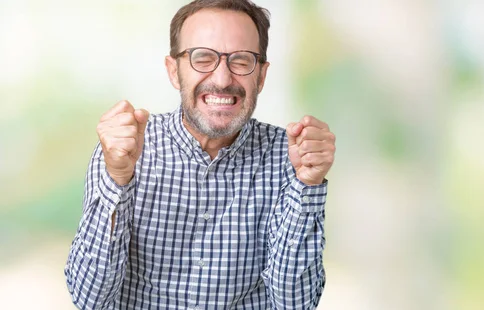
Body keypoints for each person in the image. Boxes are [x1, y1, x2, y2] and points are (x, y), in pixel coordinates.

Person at [64, 0, 336, 309]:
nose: (222, 79)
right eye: (202, 58)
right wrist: (117, 180)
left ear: (260, 76)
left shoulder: (291, 157)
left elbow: (295, 304)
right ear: (174, 71)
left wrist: (308, 185)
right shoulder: (123, 150)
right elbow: (90, 299)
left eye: (241, 60)